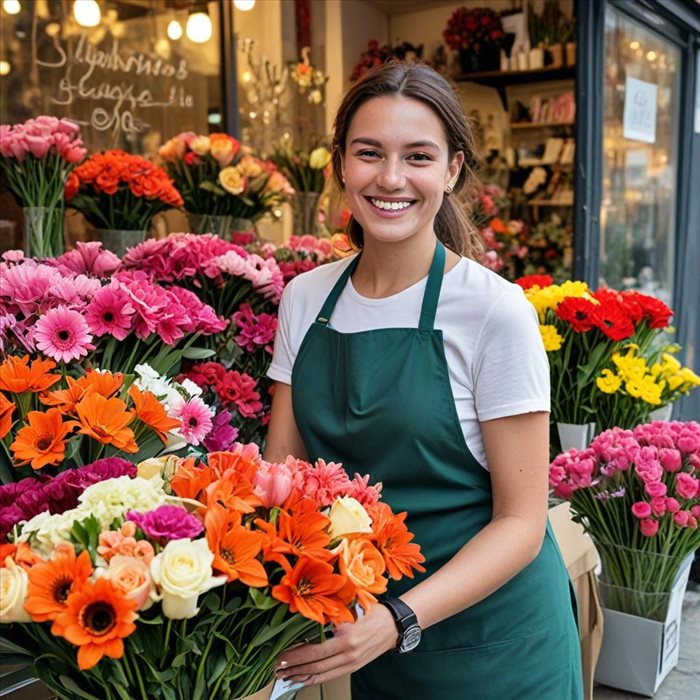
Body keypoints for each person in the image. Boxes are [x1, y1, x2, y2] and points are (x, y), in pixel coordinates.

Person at [264, 61, 582, 699]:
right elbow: (283, 478)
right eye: (369, 153)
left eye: (418, 156)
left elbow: (521, 522)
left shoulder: (494, 311)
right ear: (341, 166)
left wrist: (397, 620)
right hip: (372, 636)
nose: (390, 178)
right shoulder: (304, 299)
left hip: (497, 645)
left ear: (451, 170)